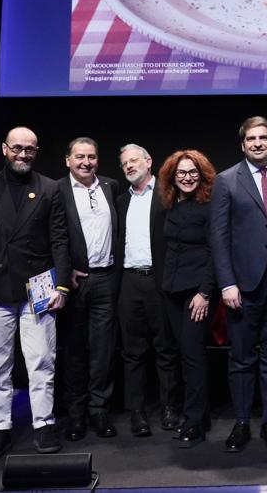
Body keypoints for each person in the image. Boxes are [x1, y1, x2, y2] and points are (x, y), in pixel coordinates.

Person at [0, 127, 70, 461]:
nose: (23, 154)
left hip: (38, 286)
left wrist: (61, 285)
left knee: (42, 361)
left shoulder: (49, 188)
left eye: (29, 149)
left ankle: (44, 424)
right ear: (4, 149)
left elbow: (59, 238)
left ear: (36, 151)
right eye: (17, 148)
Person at [211, 116, 267, 452]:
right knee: (242, 358)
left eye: (263, 138)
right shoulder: (226, 180)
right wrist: (227, 283)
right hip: (244, 285)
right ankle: (242, 423)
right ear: (243, 145)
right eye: (251, 139)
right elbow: (218, 236)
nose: (258, 143)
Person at [56, 137, 120, 442]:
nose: (86, 162)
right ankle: (76, 414)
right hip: (75, 282)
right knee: (74, 351)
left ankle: (99, 411)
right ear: (67, 160)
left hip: (106, 279)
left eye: (91, 157)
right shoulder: (57, 189)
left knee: (103, 351)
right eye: (79, 156)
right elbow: (51, 235)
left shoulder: (110, 186)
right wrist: (65, 269)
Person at [115, 144, 180, 437]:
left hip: (159, 281)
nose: (129, 166)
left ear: (149, 161)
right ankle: (137, 411)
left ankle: (169, 408)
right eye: (124, 163)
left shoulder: (168, 194)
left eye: (134, 160)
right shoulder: (120, 201)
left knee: (166, 349)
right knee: (133, 352)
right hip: (130, 282)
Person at [158, 149, 218, 449]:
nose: (187, 177)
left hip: (198, 292)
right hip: (172, 290)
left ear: (202, 175)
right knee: (183, 354)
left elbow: (216, 252)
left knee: (194, 355)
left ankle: (195, 422)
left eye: (193, 172)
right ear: (172, 177)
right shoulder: (170, 206)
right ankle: (197, 415)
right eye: (181, 173)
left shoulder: (210, 207)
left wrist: (205, 293)